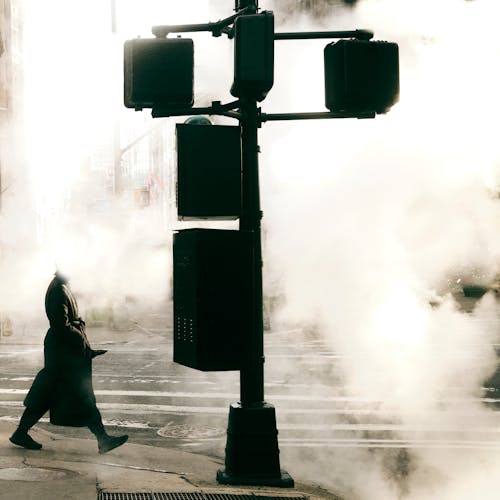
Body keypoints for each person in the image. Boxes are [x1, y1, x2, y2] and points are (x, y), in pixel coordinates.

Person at [9, 270, 128, 454]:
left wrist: (85, 348)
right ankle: (102, 439)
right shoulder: (59, 290)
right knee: (82, 395)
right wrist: (81, 340)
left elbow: (65, 325)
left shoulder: (61, 286)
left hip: (62, 353)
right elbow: (61, 325)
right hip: (64, 354)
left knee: (47, 395)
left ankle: (21, 432)